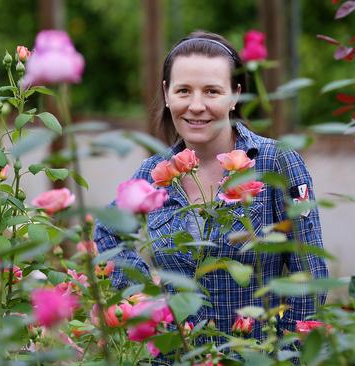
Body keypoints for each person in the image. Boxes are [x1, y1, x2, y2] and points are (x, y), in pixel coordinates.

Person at [94, 30, 328, 342]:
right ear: (166, 94)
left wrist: (283, 355)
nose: (196, 105)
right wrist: (148, 301)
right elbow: (107, 231)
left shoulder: (276, 163)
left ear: (235, 95)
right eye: (183, 91)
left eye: (212, 91)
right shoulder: (153, 174)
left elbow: (309, 281)